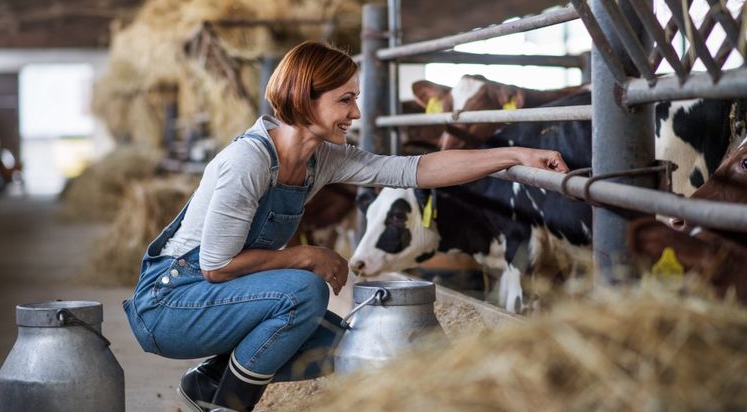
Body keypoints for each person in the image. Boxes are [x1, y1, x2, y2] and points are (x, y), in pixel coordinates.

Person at [123, 41, 569, 412]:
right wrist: (308, 255)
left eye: (354, 98)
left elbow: (414, 169)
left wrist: (514, 156)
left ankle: (208, 384)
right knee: (304, 291)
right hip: (170, 302)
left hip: (211, 297)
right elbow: (217, 267)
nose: (355, 112)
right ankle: (230, 407)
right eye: (345, 99)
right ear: (304, 98)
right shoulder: (249, 162)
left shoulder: (321, 158)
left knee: (341, 345)